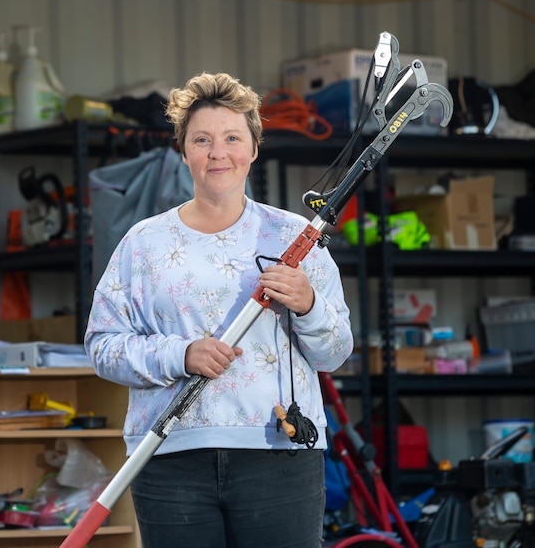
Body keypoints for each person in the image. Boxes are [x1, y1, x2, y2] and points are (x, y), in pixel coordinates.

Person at [85, 71, 353, 548]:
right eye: (202, 139)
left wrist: (308, 304)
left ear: (253, 147)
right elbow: (103, 346)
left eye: (232, 138)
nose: (217, 152)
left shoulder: (296, 239)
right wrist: (181, 354)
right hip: (169, 457)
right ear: (183, 150)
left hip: (279, 453)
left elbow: (335, 354)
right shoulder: (143, 244)